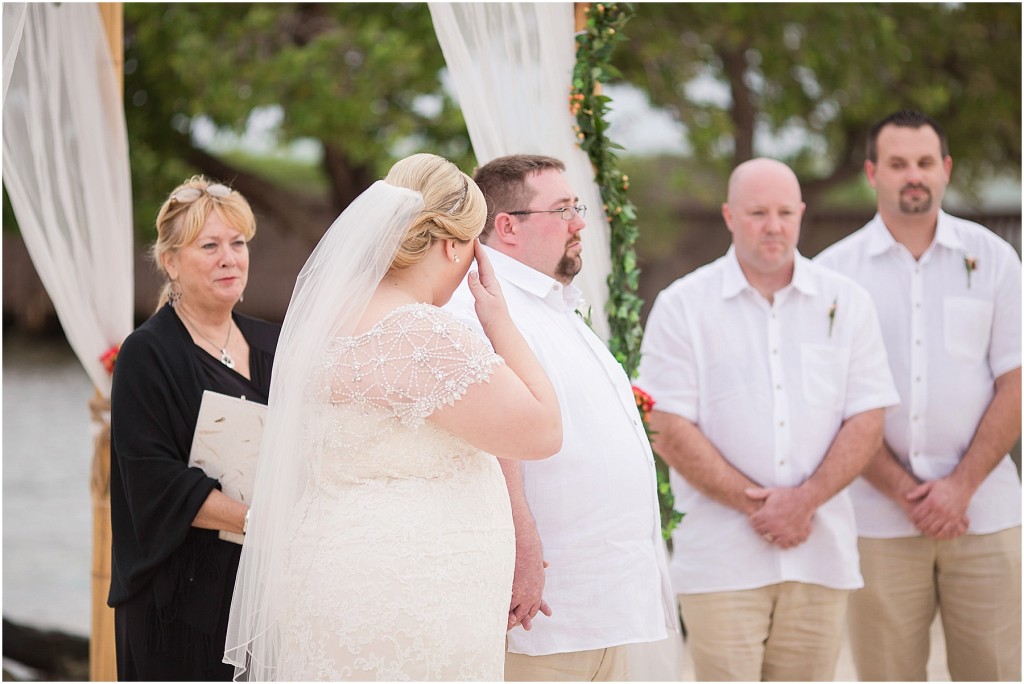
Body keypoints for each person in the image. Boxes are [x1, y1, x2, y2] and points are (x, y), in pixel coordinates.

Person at [224, 153, 562, 681]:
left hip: (329, 576)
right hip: (415, 594)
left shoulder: (322, 329)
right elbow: (542, 431)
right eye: (473, 244)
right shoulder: (422, 336)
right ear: (453, 244)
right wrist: (500, 322)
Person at [636, 158, 900, 681]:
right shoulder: (683, 305)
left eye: (784, 211)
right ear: (730, 215)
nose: (773, 225)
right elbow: (665, 422)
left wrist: (804, 502)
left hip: (819, 553)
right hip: (722, 559)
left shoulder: (846, 302)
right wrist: (760, 506)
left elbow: (868, 415)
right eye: (758, 212)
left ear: (801, 214)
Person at [445, 154, 676, 682]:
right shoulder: (479, 305)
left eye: (578, 206)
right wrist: (521, 548)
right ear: (507, 226)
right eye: (563, 209)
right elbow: (490, 439)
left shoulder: (553, 305)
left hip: (603, 606)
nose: (579, 222)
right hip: (543, 614)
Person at [815, 110, 1022, 681]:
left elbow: (1017, 383)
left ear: (946, 170)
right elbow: (833, 405)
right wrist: (909, 494)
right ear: (871, 172)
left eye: (925, 163)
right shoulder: (832, 276)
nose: (914, 175)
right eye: (898, 163)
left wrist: (959, 488)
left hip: (985, 511)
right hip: (878, 520)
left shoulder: (996, 261)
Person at [108, 176, 281, 680]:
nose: (229, 258)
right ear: (171, 262)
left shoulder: (273, 343)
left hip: (259, 591)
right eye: (209, 246)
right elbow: (155, 483)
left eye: (238, 243)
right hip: (177, 598)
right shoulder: (147, 353)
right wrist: (263, 525)